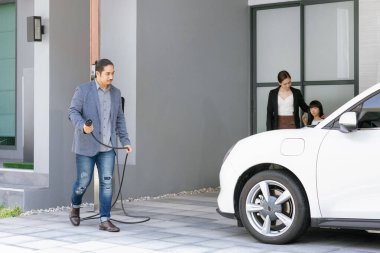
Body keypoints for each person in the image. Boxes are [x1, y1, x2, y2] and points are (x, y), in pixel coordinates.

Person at [68, 58, 132, 232]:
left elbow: (119, 119)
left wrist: (125, 141)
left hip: (107, 148)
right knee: (83, 181)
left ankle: (105, 219)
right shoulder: (83, 90)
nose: (111, 77)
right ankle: (75, 207)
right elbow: (72, 111)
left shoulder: (116, 93)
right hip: (86, 146)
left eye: (113, 73)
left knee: (107, 183)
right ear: (98, 74)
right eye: (107, 74)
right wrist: (83, 126)